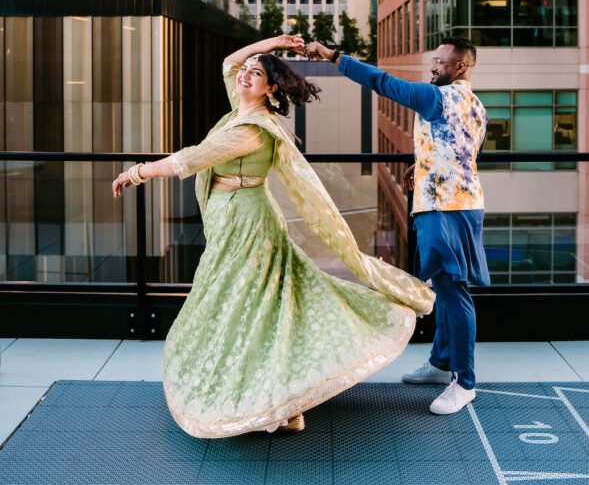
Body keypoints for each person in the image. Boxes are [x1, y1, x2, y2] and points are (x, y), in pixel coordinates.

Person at [112, 34, 433, 438]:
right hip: (232, 219)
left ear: (271, 88)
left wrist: (136, 172)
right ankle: (284, 400)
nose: (245, 75)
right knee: (256, 307)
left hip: (249, 223)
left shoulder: (253, 129)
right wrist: (276, 42)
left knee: (253, 309)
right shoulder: (240, 109)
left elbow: (190, 159)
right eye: (246, 72)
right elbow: (229, 61)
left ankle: (280, 401)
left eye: (257, 74)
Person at [305, 36, 488, 416]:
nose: (433, 67)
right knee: (443, 286)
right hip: (459, 204)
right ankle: (440, 364)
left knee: (454, 292)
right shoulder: (476, 106)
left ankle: (465, 382)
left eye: (440, 62)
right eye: (434, 61)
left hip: (445, 209)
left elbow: (383, 83)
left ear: (461, 67)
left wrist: (333, 57)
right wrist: (421, 165)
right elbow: (461, 152)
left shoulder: (436, 98)